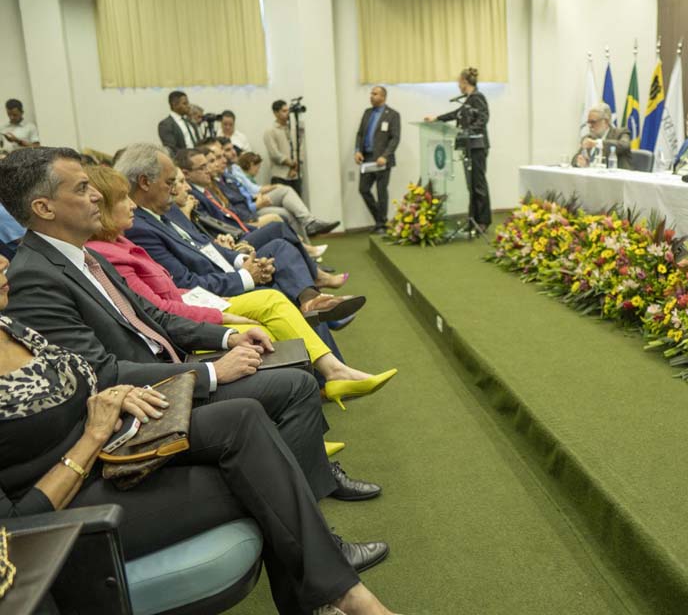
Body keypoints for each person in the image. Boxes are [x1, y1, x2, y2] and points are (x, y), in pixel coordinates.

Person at [0, 148, 393, 526]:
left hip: (172, 370)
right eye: (82, 188)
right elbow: (101, 373)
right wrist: (212, 373)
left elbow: (152, 314)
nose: (97, 195)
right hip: (147, 401)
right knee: (294, 387)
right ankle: (303, 508)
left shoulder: (83, 254)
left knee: (294, 374)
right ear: (44, 208)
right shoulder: (35, 275)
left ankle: (305, 496)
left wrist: (225, 339)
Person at [0, 255, 400, 615]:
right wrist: (91, 436)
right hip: (67, 507)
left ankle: (333, 598)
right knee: (266, 484)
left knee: (244, 417)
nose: (4, 260)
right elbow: (13, 527)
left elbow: (101, 367)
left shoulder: (9, 324)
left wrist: (113, 401)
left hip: (112, 445)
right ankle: (347, 599)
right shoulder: (31, 283)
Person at [82, 163, 392, 390]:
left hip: (208, 289)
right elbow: (162, 308)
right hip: (190, 315)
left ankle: (329, 364)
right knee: (274, 294)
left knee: (276, 277)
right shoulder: (123, 241)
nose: (180, 187)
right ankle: (324, 371)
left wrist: (240, 261)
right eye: (124, 198)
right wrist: (224, 308)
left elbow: (196, 260)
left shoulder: (127, 237)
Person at [119, 145, 356, 316]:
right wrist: (245, 276)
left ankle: (313, 301)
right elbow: (185, 282)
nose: (175, 189)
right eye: (170, 182)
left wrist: (243, 261)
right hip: (216, 292)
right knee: (282, 285)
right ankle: (327, 358)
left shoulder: (167, 210)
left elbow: (205, 243)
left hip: (229, 262)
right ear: (144, 182)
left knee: (280, 249)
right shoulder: (139, 228)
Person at [217, 137, 339, 238]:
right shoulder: (223, 178)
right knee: (286, 209)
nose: (233, 152)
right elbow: (239, 204)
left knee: (286, 194)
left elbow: (251, 190)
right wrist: (257, 203)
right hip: (250, 211)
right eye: (227, 150)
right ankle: (309, 233)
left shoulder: (233, 169)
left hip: (253, 202)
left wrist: (257, 197)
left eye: (232, 148)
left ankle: (309, 230)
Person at [425, 67, 492, 232]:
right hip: (469, 147)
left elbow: (483, 118)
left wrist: (467, 132)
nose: (457, 85)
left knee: (478, 185)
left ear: (464, 82)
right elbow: (457, 114)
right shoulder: (468, 99)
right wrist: (437, 119)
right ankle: (473, 220)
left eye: (458, 82)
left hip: (477, 146)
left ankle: (483, 221)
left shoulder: (478, 97)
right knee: (471, 185)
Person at [354, 86, 401, 233]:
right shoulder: (367, 113)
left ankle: (380, 225)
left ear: (383, 97)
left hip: (382, 160)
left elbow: (395, 138)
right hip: (367, 158)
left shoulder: (393, 115)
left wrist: (385, 156)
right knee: (363, 189)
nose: (371, 96)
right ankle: (381, 221)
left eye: (375, 94)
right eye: (371, 94)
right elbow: (360, 134)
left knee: (381, 192)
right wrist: (357, 151)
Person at [571, 103, 631, 169]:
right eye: (588, 122)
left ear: (606, 122)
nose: (590, 126)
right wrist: (579, 161)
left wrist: (597, 143)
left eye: (593, 122)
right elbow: (574, 160)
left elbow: (624, 145)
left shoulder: (621, 133)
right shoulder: (589, 137)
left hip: (616, 177)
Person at [264, 99, 303, 195]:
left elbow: (299, 148)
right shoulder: (270, 131)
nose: (288, 113)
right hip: (280, 176)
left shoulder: (293, 129)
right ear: (276, 113)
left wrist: (295, 167)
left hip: (295, 175)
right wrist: (291, 164)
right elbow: (274, 154)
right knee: (281, 208)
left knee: (297, 205)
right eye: (284, 111)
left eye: (288, 110)